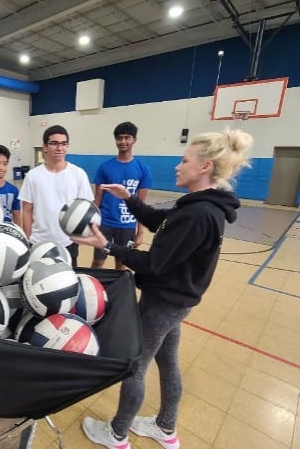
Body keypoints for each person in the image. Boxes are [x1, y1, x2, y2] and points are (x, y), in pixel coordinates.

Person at [73, 130, 252, 449]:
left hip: (164, 304)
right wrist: (127, 198)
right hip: (175, 300)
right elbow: (159, 221)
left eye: (185, 160)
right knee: (167, 361)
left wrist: (108, 246)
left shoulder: (200, 214)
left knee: (134, 366)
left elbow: (154, 263)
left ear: (204, 167)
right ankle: (165, 427)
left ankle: (117, 434)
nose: (178, 166)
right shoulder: (197, 205)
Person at [19, 124, 93, 266]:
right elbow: (27, 209)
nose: (60, 148)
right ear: (45, 147)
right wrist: (28, 237)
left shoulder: (78, 174)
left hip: (67, 243)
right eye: (54, 143)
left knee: (68, 284)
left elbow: (86, 208)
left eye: (64, 144)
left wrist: (80, 235)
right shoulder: (33, 176)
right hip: (38, 242)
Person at [92, 122, 152, 270]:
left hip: (127, 226)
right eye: (120, 138)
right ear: (116, 140)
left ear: (134, 140)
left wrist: (140, 233)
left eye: (127, 138)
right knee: (98, 262)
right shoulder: (105, 167)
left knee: (121, 264)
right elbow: (97, 201)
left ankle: (117, 292)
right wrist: (91, 225)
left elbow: (141, 205)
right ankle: (92, 290)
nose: (123, 142)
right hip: (105, 223)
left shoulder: (143, 169)